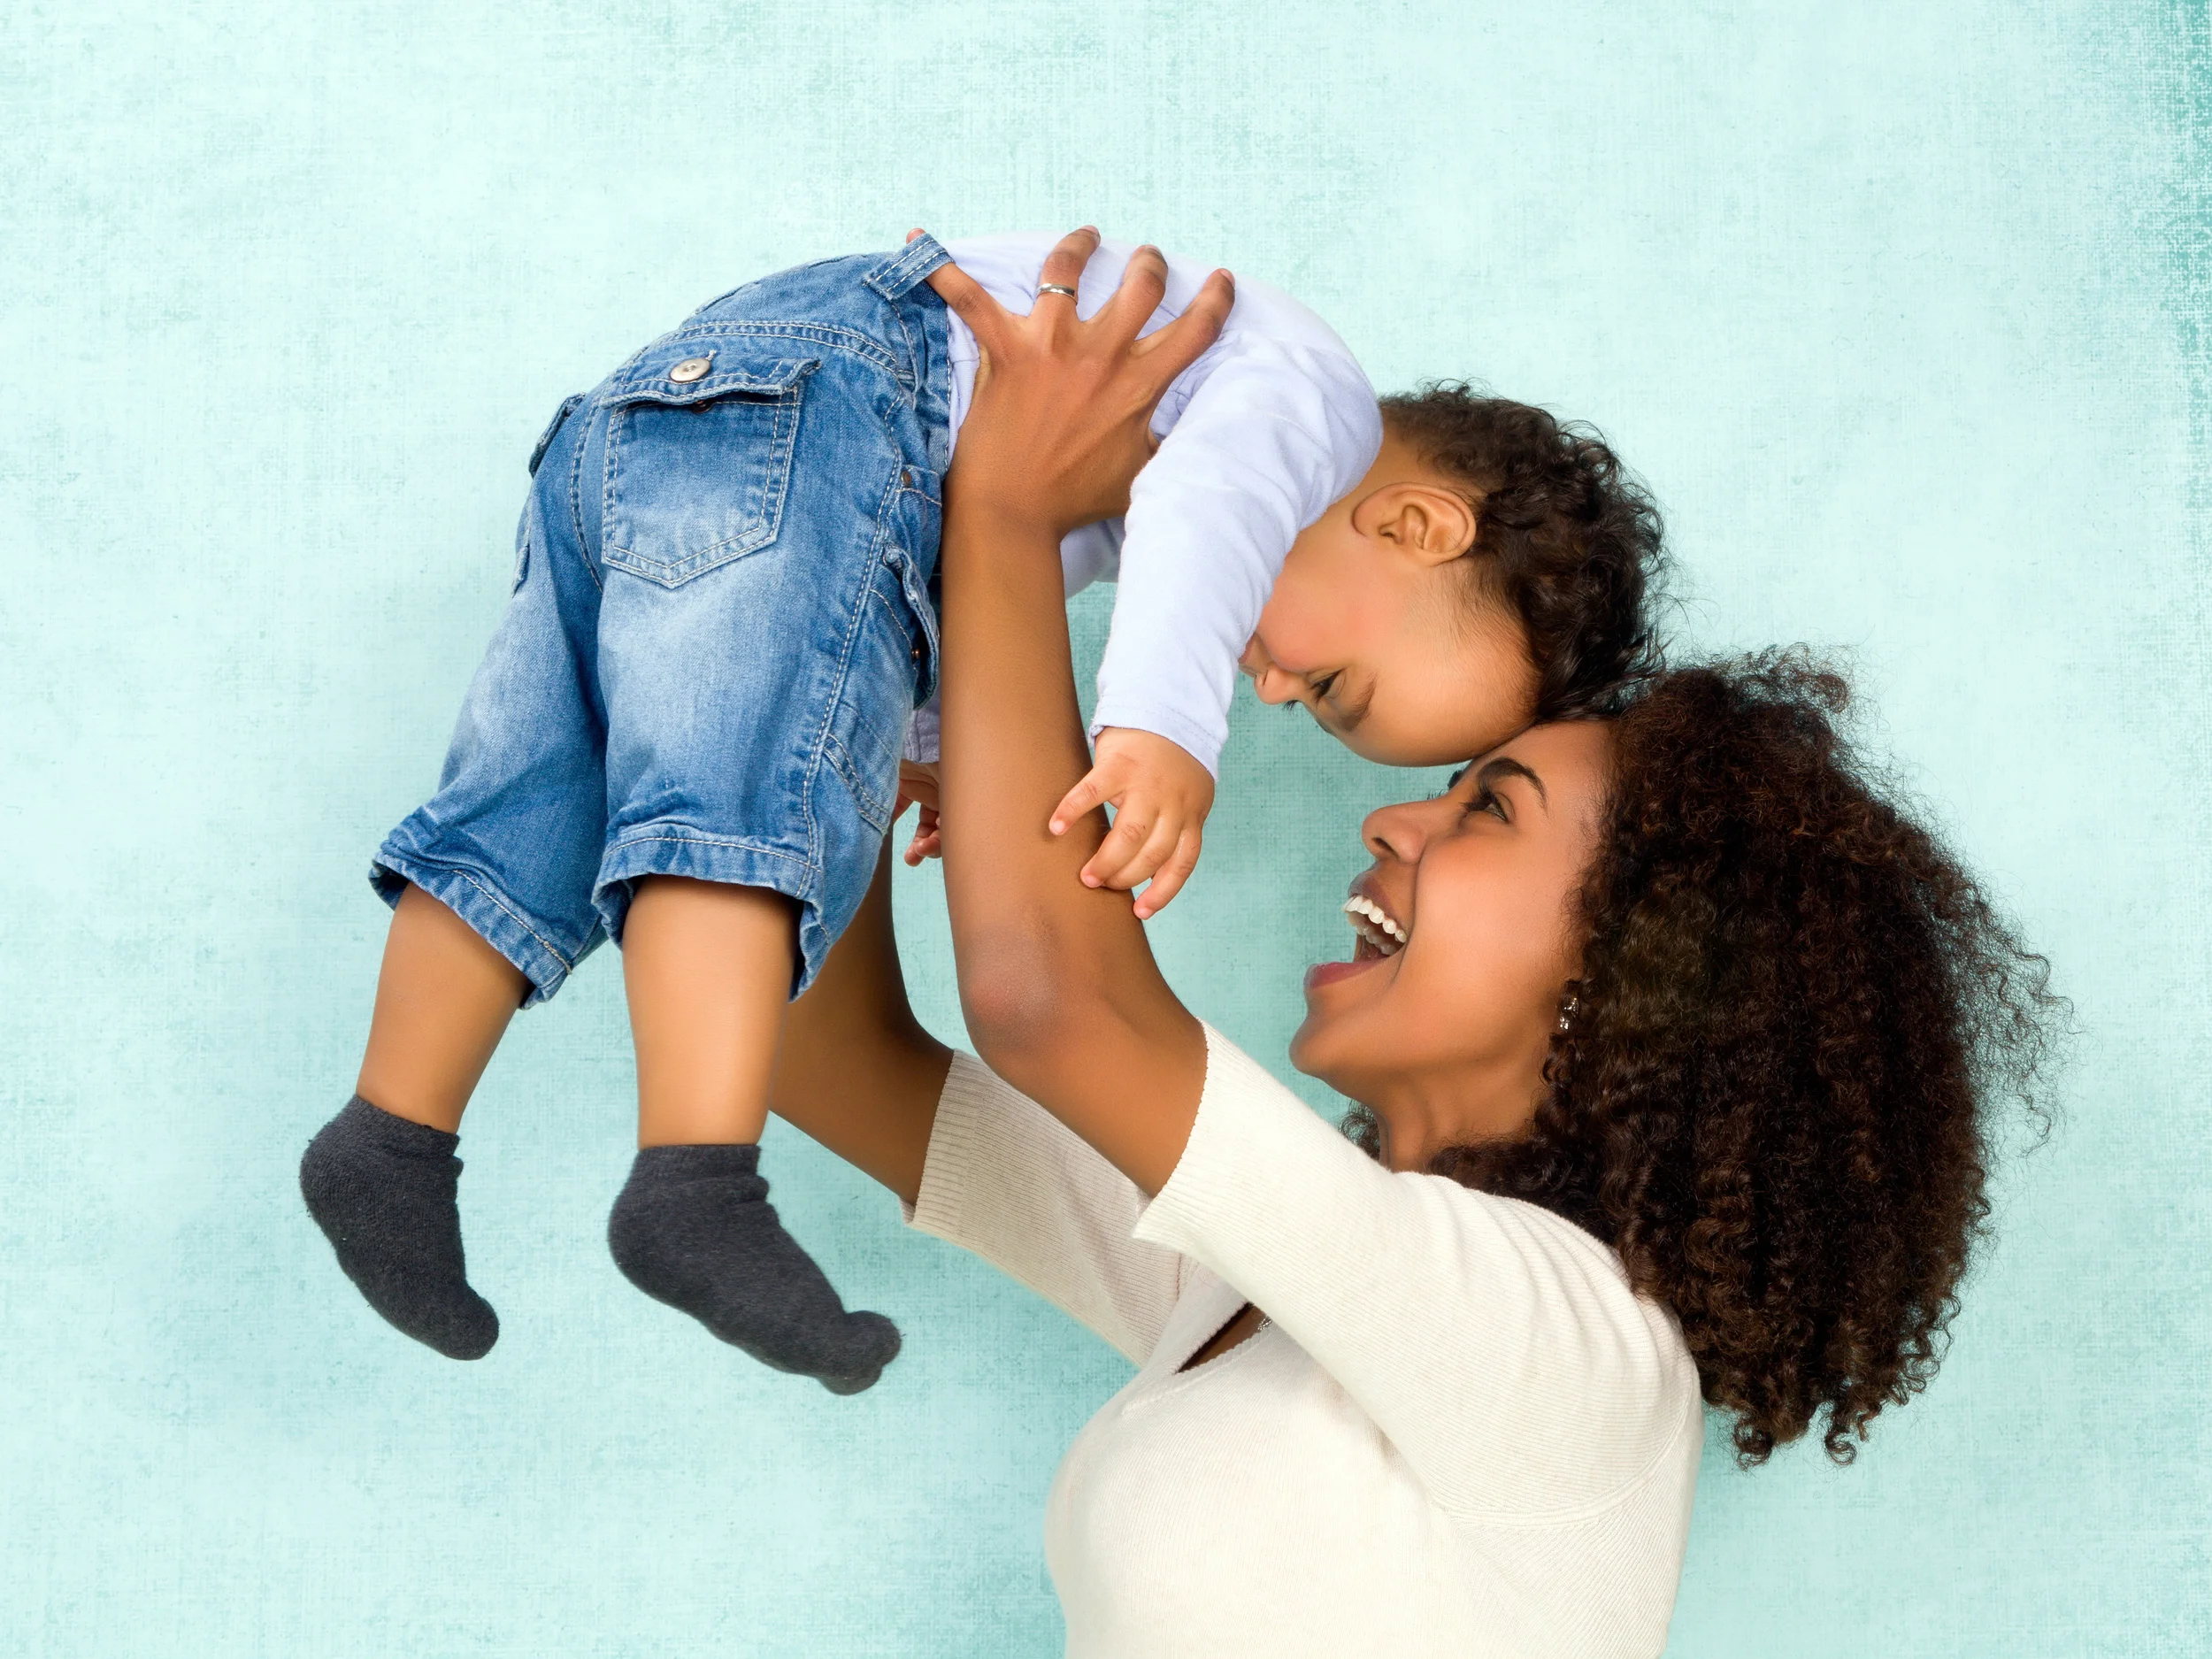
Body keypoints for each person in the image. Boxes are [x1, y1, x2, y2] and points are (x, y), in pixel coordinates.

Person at [769, 233, 2061, 1655]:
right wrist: (834, 671)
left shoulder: (1573, 1354)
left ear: (1636, 972)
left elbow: (1049, 1003)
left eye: (1490, 809)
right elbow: (824, 1050)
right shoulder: (1267, 1289)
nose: (1390, 820)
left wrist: (1006, 517)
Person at [297, 227, 1665, 1392]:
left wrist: (921, 733)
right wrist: (1161, 731)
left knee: (534, 800)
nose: (1273, 690)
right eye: (1330, 686)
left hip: (671, 414)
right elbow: (1185, 523)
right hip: (834, 398)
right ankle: (694, 1182)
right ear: (1419, 528)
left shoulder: (1519, 1336)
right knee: (736, 811)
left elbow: (935, 554)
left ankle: (390, 1133)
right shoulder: (1308, 408)